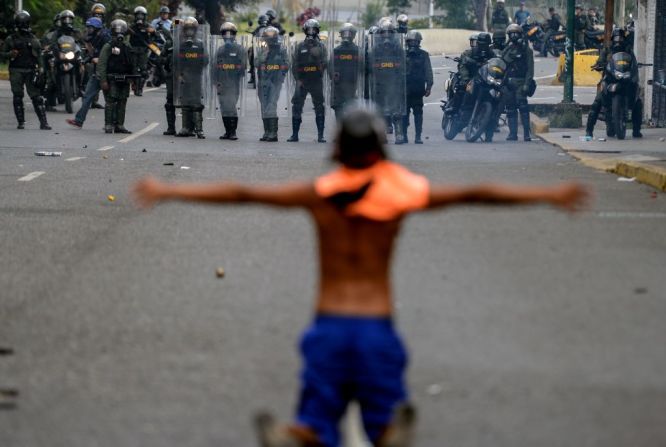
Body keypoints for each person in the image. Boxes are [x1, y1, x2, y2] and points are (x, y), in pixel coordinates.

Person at [132, 107, 589, 447]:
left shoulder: (318, 194)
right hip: (375, 327)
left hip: (329, 326)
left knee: (317, 419)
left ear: (337, 149)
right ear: (379, 146)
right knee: (384, 421)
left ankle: (305, 432)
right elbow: (476, 193)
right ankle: (386, 431)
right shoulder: (402, 191)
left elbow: (241, 193)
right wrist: (548, 193)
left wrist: (169, 189)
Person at [585, 28, 643, 138]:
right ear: (612, 38)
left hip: (625, 79)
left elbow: (633, 63)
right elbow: (600, 61)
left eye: (620, 38)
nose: (618, 40)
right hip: (610, 78)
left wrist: (634, 69)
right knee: (597, 102)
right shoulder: (607, 49)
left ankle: (636, 130)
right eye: (616, 38)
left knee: (638, 102)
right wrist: (599, 65)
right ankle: (589, 130)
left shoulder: (628, 50)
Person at [2, 10, 51, 130]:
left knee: (37, 97)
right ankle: (21, 122)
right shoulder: (11, 39)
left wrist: (41, 69)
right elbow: (2, 54)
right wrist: (10, 54)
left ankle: (43, 123)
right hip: (16, 70)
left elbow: (39, 55)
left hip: (30, 71)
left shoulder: (33, 39)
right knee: (18, 96)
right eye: (21, 23)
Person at [288, 19, 328, 143]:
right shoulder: (300, 46)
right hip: (302, 81)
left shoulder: (321, 46)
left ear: (317, 31)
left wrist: (318, 57)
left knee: (319, 107)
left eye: (314, 29)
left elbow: (326, 62)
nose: (311, 32)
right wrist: (297, 79)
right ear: (305, 31)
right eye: (309, 29)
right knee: (297, 106)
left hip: (316, 80)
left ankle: (320, 135)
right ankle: (295, 135)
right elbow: (294, 64)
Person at [66, 18, 111, 128]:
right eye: (88, 27)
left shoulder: (106, 39)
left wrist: (99, 60)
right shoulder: (93, 38)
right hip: (97, 72)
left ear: (96, 28)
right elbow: (92, 53)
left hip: (106, 73)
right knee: (87, 96)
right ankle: (79, 120)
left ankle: (110, 124)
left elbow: (110, 56)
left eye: (90, 28)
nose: (88, 30)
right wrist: (85, 59)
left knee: (109, 100)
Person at [369, 17, 406, 144]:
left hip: (394, 82)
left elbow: (403, 65)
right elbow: (370, 65)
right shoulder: (376, 48)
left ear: (392, 34)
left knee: (396, 110)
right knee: (380, 111)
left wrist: (400, 78)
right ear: (380, 34)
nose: (386, 35)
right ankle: (381, 135)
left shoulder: (397, 48)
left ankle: (399, 134)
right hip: (379, 83)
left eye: (389, 32)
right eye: (384, 32)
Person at [173, 17, 209, 139]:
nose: (189, 31)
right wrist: (179, 75)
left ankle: (199, 129)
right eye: (187, 29)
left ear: (195, 30)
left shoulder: (200, 44)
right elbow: (177, 62)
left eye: (191, 29)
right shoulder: (181, 45)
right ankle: (185, 128)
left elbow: (206, 61)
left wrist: (196, 65)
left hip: (196, 77)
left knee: (196, 104)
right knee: (185, 103)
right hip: (184, 78)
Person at [97, 19, 134, 134]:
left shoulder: (127, 46)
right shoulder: (108, 46)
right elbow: (102, 64)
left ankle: (119, 125)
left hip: (125, 78)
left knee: (123, 101)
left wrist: (133, 78)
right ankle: (108, 124)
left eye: (121, 29)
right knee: (110, 101)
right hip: (111, 78)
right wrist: (103, 80)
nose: (119, 32)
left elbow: (131, 62)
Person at [214, 22, 246, 140]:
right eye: (225, 34)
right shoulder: (220, 50)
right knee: (223, 107)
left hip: (233, 83)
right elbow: (215, 66)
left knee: (231, 106)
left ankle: (233, 132)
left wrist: (234, 73)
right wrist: (216, 82)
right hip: (222, 83)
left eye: (230, 33)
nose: (227, 36)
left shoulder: (239, 49)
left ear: (234, 35)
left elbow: (243, 66)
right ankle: (227, 131)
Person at [256, 26, 289, 142]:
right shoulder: (262, 50)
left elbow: (287, 65)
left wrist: (280, 74)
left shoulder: (281, 50)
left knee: (271, 105)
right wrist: (264, 55)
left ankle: (273, 133)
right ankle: (266, 132)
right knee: (264, 106)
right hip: (262, 81)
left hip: (275, 81)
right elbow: (256, 64)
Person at [446, 33, 493, 114]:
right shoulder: (469, 53)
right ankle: (454, 108)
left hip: (484, 79)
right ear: (478, 43)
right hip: (470, 78)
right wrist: (466, 79)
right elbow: (462, 66)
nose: (483, 46)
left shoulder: (492, 54)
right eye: (481, 44)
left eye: (485, 44)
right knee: (461, 87)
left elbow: (496, 66)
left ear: (489, 44)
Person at [502, 23, 534, 142]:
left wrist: (527, 84)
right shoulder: (508, 49)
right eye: (511, 34)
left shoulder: (526, 50)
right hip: (509, 82)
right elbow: (501, 62)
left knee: (523, 107)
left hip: (521, 82)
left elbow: (530, 69)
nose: (513, 36)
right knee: (510, 108)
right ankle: (512, 134)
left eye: (516, 34)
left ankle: (526, 133)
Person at [402, 31, 432, 144]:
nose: (413, 44)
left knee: (418, 113)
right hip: (404, 89)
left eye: (415, 41)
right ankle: (404, 135)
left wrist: (429, 86)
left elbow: (428, 71)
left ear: (419, 42)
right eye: (411, 41)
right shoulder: (402, 54)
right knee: (404, 114)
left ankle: (418, 136)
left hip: (418, 89)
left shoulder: (424, 55)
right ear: (407, 42)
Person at [330, 23, 361, 122]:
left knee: (351, 106)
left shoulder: (358, 51)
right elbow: (330, 66)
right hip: (338, 84)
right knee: (338, 106)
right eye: (345, 33)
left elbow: (362, 67)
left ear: (354, 35)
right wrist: (333, 75)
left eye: (350, 33)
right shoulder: (336, 50)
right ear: (341, 35)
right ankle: (340, 128)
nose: (347, 35)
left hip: (352, 84)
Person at [129, 6, 155, 96]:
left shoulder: (147, 26)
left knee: (143, 71)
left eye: (142, 15)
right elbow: (123, 32)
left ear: (144, 16)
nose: (140, 17)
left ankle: (140, 88)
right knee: (133, 69)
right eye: (138, 15)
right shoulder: (131, 26)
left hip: (144, 50)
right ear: (135, 16)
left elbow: (155, 33)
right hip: (133, 50)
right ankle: (135, 85)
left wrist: (152, 31)